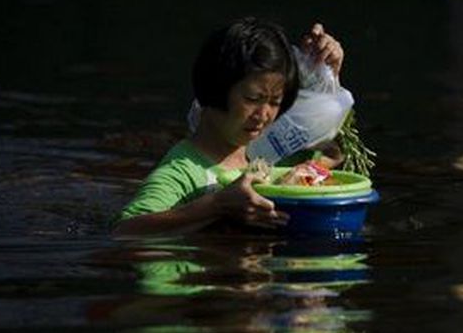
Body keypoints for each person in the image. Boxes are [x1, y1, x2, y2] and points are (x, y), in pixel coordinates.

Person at [113, 17, 345, 237]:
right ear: (214, 89)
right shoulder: (183, 173)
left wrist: (326, 77)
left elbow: (335, 153)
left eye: (275, 102)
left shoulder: (270, 157)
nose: (264, 115)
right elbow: (124, 231)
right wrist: (217, 205)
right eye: (253, 99)